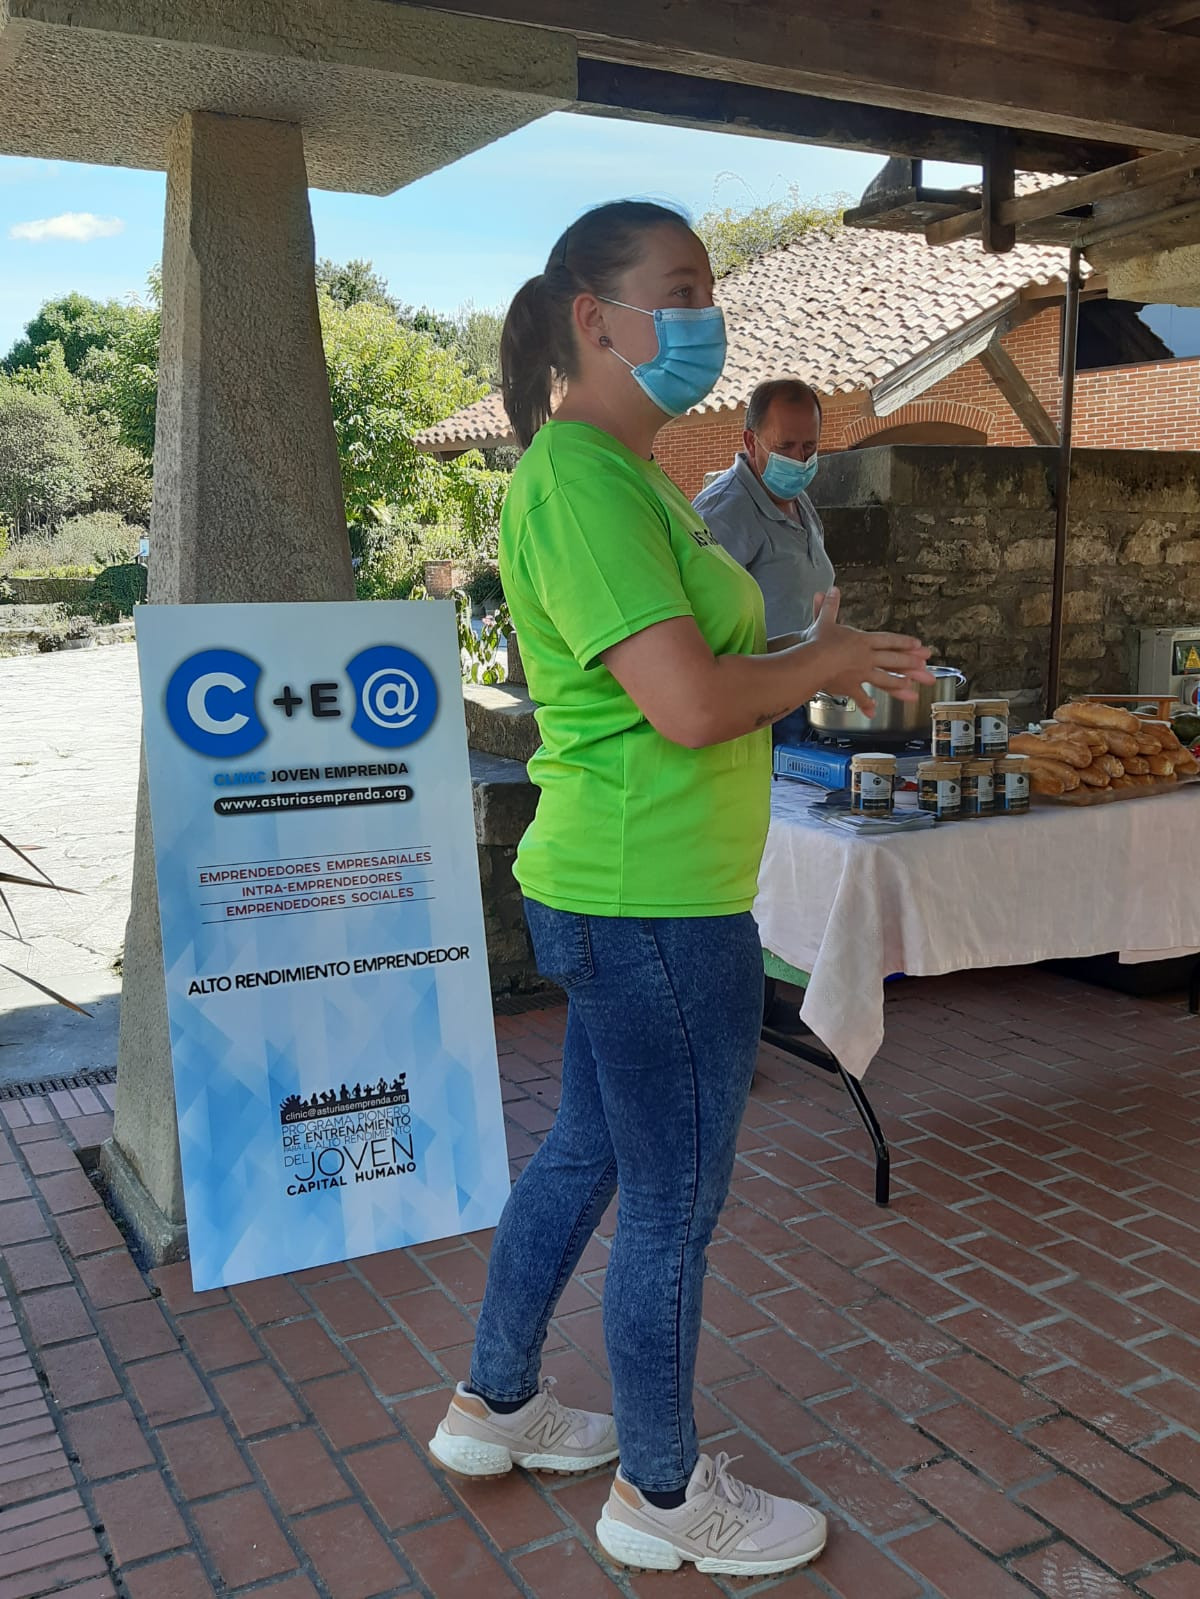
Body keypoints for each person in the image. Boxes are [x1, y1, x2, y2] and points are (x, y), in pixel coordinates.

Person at [427, 200, 932, 1579]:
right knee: (671, 1201)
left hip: (633, 882)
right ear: (594, 318)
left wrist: (817, 649)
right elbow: (691, 703)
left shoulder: (633, 475)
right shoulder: (583, 480)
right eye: (683, 287)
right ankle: (659, 1491)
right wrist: (820, 670)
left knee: (592, 1154)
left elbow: (690, 675)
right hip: (653, 900)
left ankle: (497, 1399)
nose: (708, 315)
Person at [693, 378, 832, 641]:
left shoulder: (798, 500)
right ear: (750, 441)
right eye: (784, 447)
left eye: (809, 447)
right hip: (754, 680)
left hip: (806, 677)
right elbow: (702, 633)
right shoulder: (721, 515)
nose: (799, 461)